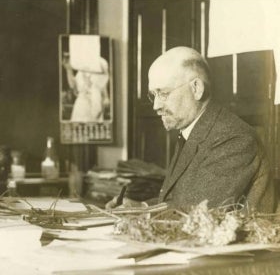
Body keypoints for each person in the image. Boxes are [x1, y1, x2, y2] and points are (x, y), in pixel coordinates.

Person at [106, 46, 277, 213]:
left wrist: (144, 212)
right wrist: (142, 207)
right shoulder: (194, 130)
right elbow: (181, 200)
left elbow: (197, 212)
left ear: (196, 88)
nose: (156, 106)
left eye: (163, 93)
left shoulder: (234, 138)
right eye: (153, 95)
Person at [62, 53, 110, 122]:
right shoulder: (81, 69)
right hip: (81, 104)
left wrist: (106, 97)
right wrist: (68, 69)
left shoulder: (100, 63)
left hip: (95, 102)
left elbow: (103, 83)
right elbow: (73, 86)